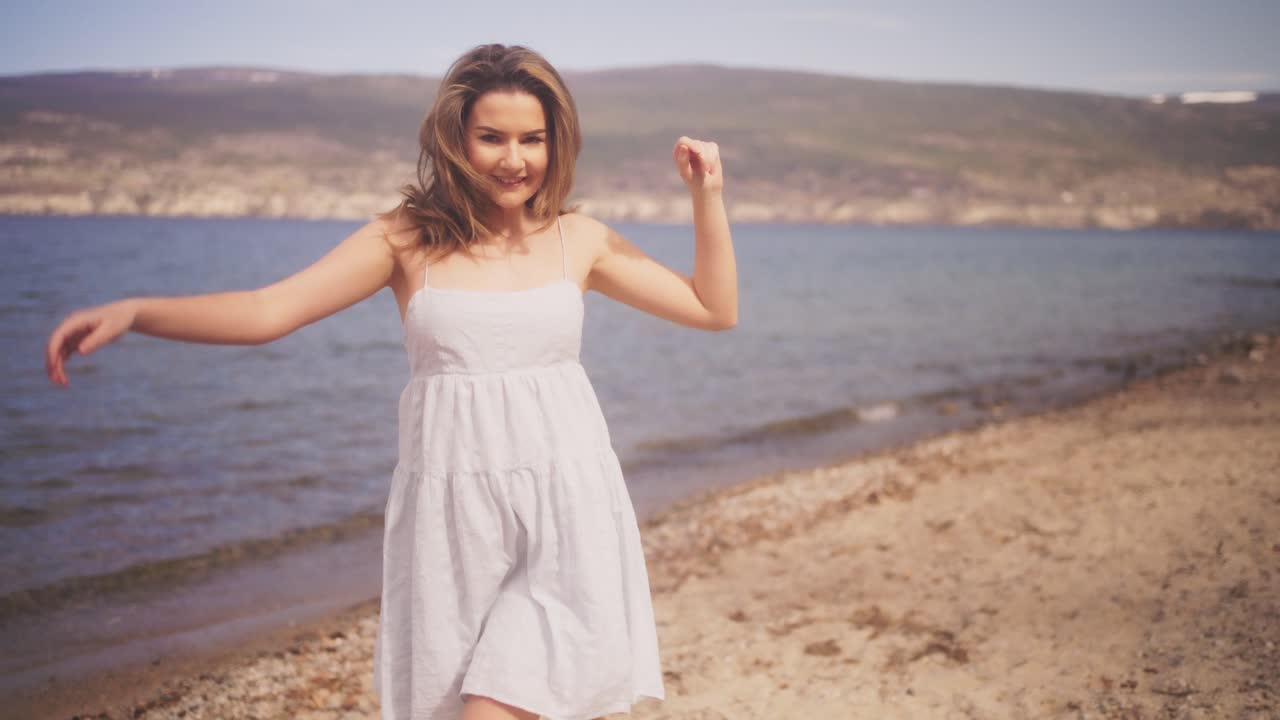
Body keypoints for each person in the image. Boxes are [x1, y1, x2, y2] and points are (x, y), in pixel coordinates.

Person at [44, 43, 737, 720]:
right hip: (453, 518)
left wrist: (707, 195)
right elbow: (267, 311)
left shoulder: (577, 239)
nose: (514, 159)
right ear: (456, 138)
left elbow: (713, 308)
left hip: (566, 508)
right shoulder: (405, 240)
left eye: (533, 139)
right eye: (492, 137)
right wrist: (137, 312)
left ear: (557, 143)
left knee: (498, 703)